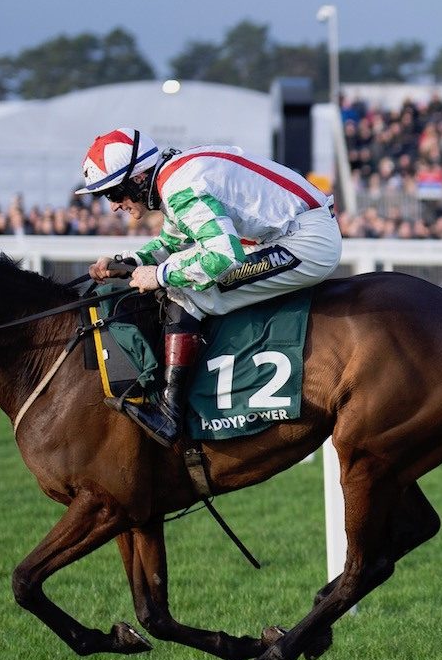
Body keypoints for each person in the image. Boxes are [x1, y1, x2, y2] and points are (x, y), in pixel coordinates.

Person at [79, 128, 342, 446]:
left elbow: (222, 256)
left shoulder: (180, 187)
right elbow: (171, 244)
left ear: (136, 179)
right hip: (297, 230)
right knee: (180, 274)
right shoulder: (173, 176)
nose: (113, 206)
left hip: (305, 243)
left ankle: (170, 415)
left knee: (185, 291)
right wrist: (124, 263)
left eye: (112, 193)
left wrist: (160, 276)